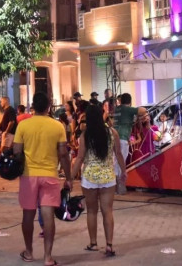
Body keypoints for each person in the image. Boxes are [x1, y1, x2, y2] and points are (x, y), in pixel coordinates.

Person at [13, 92, 72, 266]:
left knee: (28, 215)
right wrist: (69, 178)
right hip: (50, 175)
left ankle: (29, 252)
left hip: (28, 175)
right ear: (48, 107)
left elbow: (16, 151)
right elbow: (63, 154)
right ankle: (48, 257)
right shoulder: (58, 126)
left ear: (32, 106)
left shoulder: (23, 125)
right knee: (48, 217)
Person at [73, 105, 126, 257]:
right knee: (107, 211)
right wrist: (124, 171)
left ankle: (93, 243)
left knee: (91, 211)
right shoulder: (112, 132)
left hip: (89, 178)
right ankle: (109, 245)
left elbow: (80, 158)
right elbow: (119, 154)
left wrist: (70, 177)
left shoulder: (85, 135)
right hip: (108, 177)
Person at [112, 93, 136, 194]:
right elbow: (142, 110)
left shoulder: (116, 109)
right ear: (130, 102)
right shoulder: (128, 109)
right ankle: (119, 186)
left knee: (115, 161)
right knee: (120, 161)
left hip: (114, 137)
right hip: (122, 138)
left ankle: (114, 186)